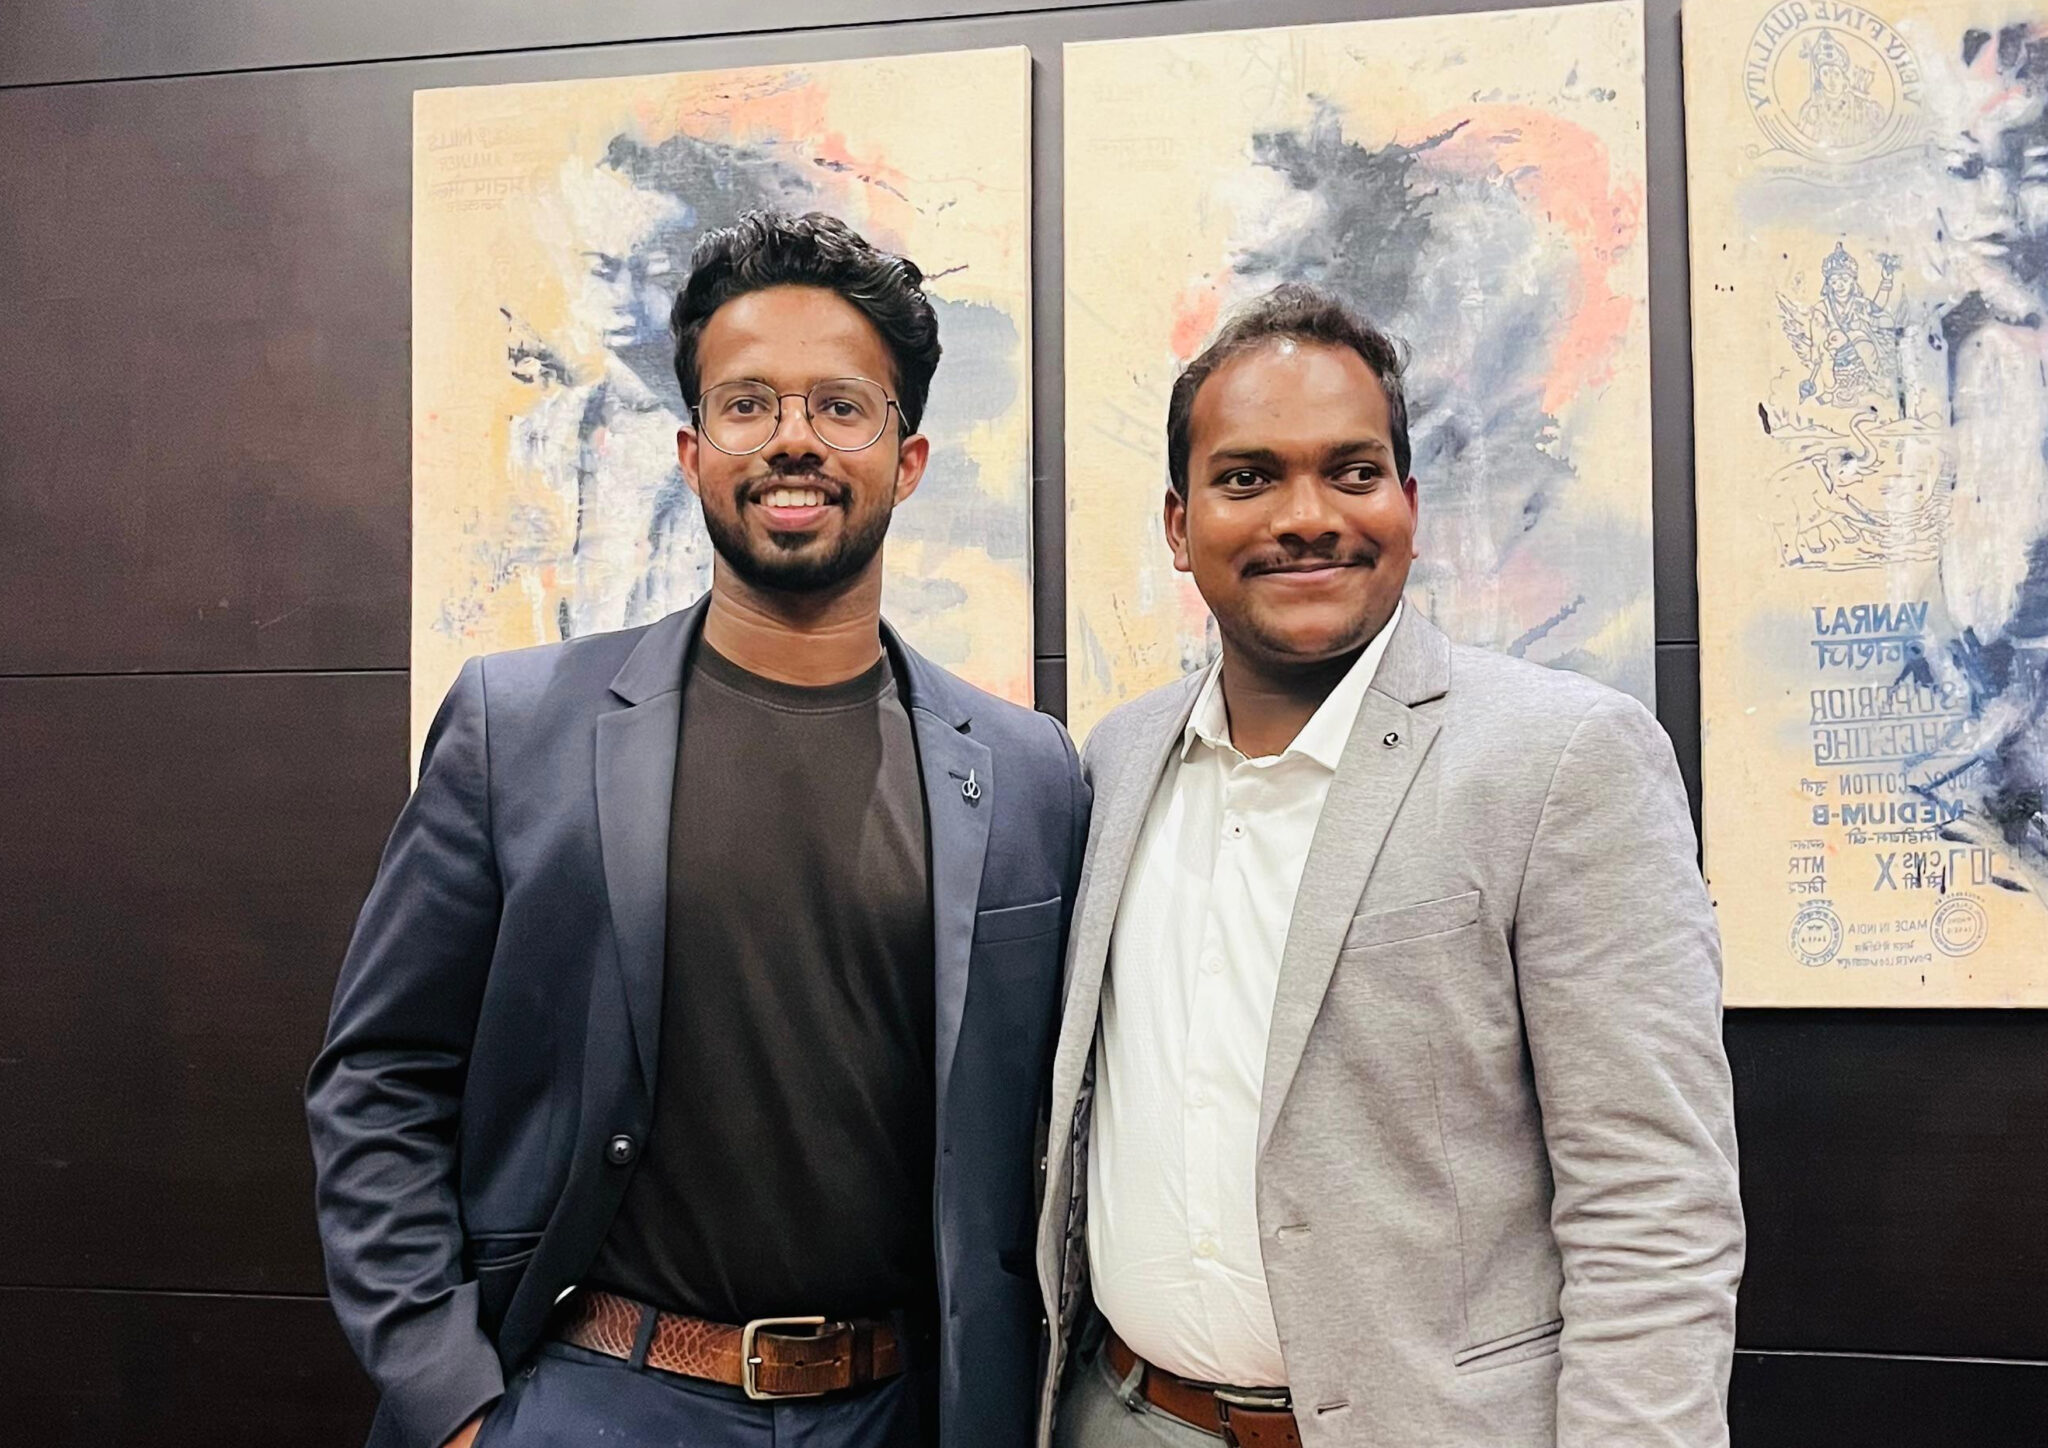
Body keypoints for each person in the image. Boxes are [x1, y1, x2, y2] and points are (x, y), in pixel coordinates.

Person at [309, 210, 1086, 1448]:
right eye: (747, 403)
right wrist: (451, 1399)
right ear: (691, 449)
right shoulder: (520, 726)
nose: (793, 438)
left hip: (900, 1408)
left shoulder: (1029, 771)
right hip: (595, 1396)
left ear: (908, 459)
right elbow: (381, 1075)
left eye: (840, 405)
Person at [1035, 284, 1743, 1448]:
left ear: (1408, 505)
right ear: (1177, 523)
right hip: (1119, 1413)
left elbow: (1652, 1205)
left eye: (1351, 471)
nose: (1305, 515)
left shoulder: (1563, 758)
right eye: (1247, 477)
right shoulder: (1113, 761)